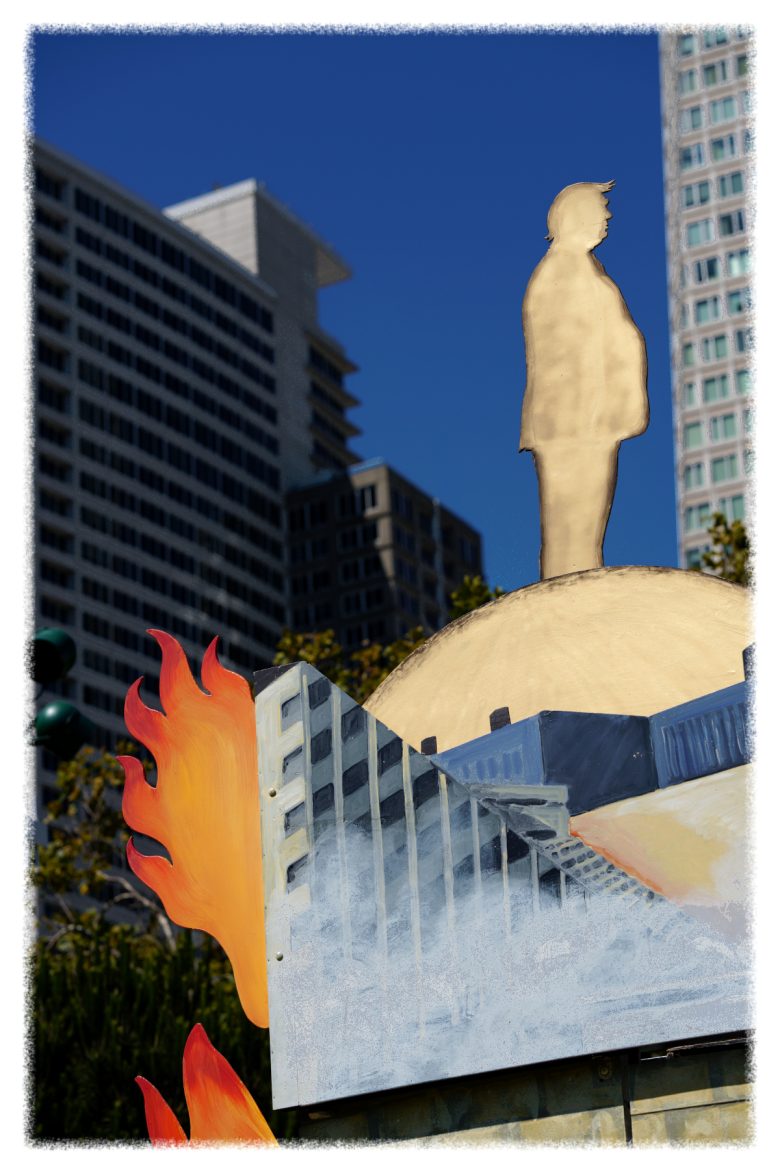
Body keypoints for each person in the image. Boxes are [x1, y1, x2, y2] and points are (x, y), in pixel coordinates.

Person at [520, 181, 649, 580]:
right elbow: (565, 363)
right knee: (570, 530)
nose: (607, 217)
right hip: (574, 429)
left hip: (593, 425)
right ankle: (566, 597)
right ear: (574, 217)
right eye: (599, 209)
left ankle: (578, 585)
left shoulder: (581, 271)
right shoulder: (558, 274)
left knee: (587, 527)